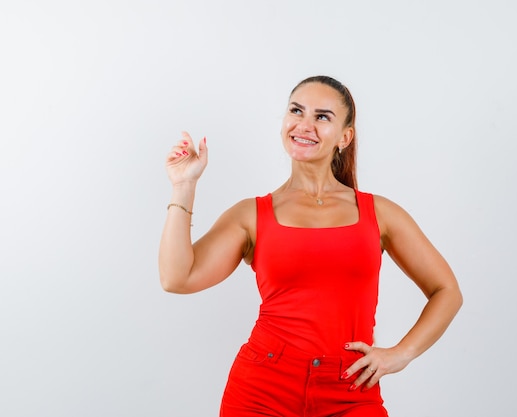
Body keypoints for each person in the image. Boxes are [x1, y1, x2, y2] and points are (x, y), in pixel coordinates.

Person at [159, 75, 463, 417]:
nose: (304, 125)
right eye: (296, 111)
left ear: (345, 137)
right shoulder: (252, 215)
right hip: (262, 389)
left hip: (351, 389)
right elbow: (178, 278)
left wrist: (400, 354)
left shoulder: (380, 213)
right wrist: (183, 186)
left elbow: (447, 290)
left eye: (322, 116)